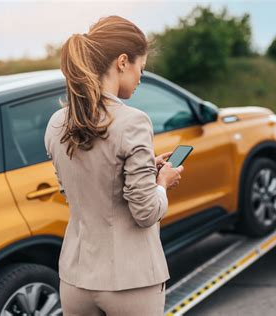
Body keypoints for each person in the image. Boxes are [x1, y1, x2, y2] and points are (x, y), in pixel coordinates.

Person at [44, 15, 184, 315]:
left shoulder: (56, 122)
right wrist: (161, 183)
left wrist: (146, 167)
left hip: (75, 279)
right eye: (141, 69)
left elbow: (76, 190)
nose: (140, 78)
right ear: (123, 61)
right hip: (130, 281)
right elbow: (146, 212)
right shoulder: (133, 121)